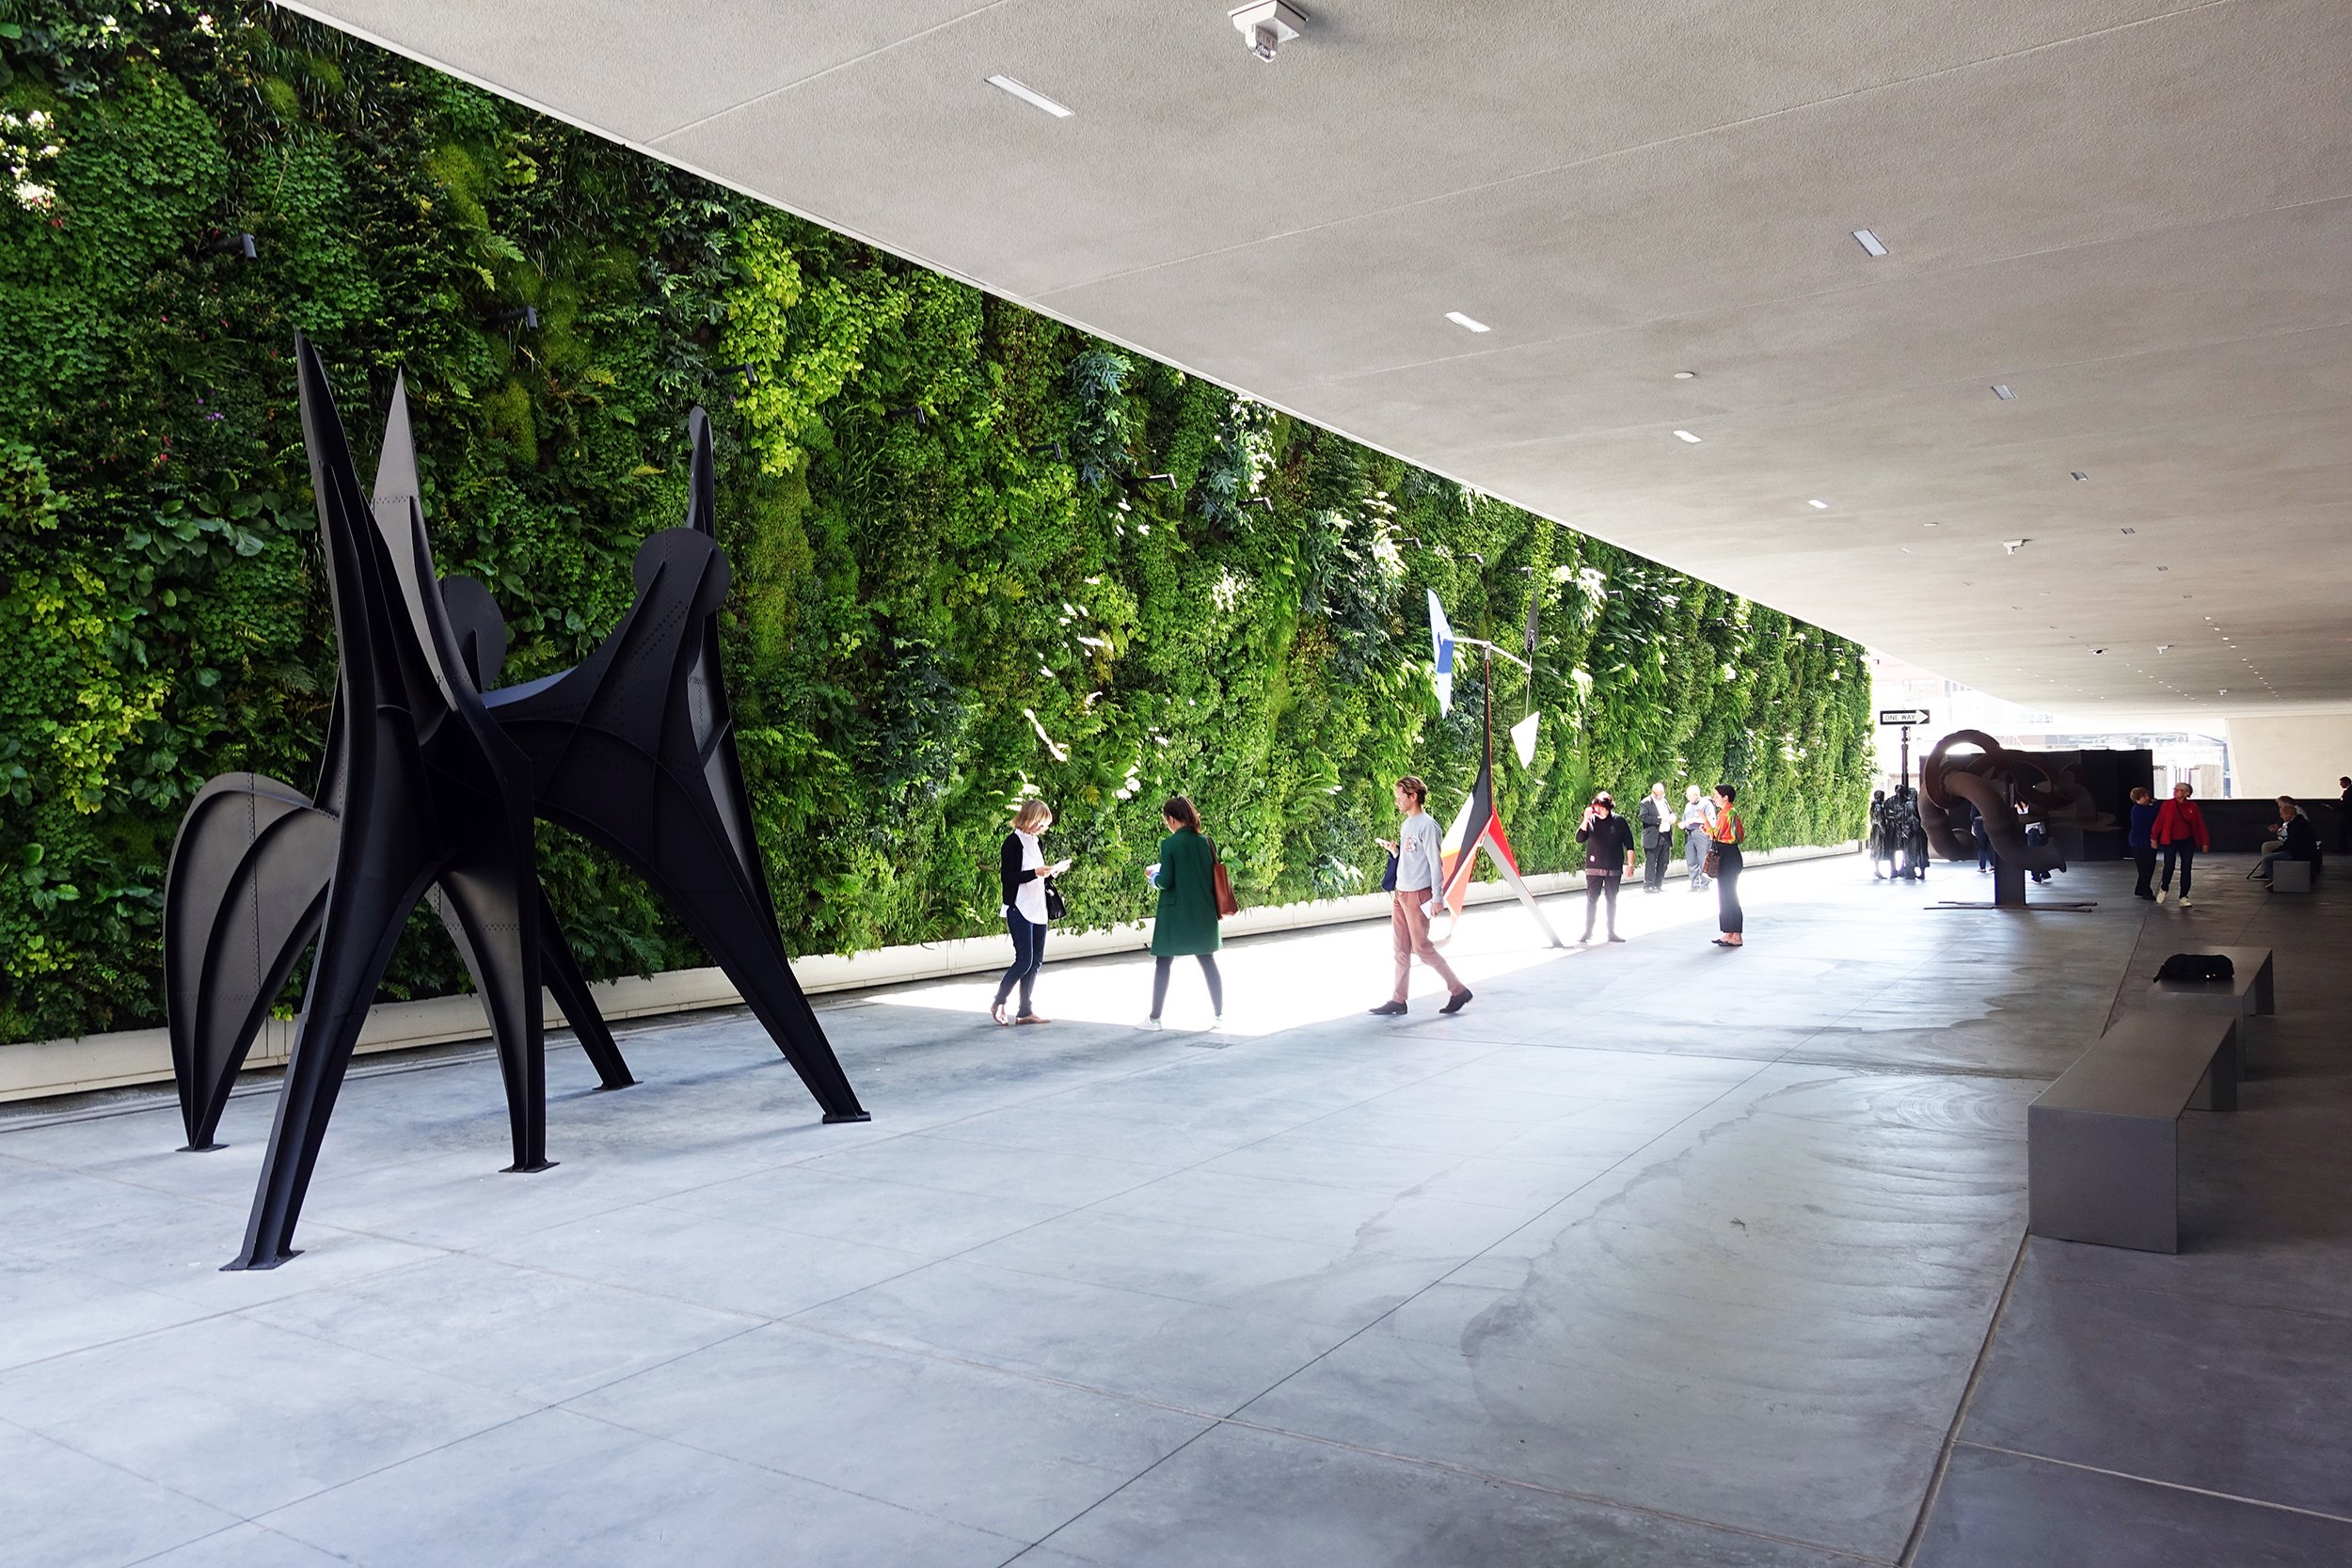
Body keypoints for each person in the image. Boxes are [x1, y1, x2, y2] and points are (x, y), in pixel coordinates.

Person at [1370, 775, 1472, 1017]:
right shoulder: (1407, 825)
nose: (1397, 801)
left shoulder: (1428, 826)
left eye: (1400, 796)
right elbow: (1411, 858)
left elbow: (1436, 864)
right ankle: (1398, 1000)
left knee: (1422, 948)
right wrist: (1395, 851)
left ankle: (1458, 990)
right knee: (1401, 950)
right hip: (1401, 894)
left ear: (1413, 796)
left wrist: (1437, 897)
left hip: (1418, 895)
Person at [1141, 796, 1223, 1029]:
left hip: (1175, 913)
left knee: (1163, 962)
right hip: (1203, 911)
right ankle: (1219, 1015)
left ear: (1171, 819)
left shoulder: (1169, 844)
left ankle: (1155, 1018)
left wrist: (1153, 876)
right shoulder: (1206, 842)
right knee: (1207, 961)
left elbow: (1166, 881)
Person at [992, 799, 1068, 1025]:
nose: (1040, 828)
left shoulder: (1036, 842)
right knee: (1024, 960)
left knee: (1036, 962)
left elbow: (1037, 876)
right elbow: (1008, 877)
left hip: (1038, 907)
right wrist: (1035, 872)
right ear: (1027, 818)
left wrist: (1050, 873)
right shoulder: (1013, 842)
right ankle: (999, 1001)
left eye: (1043, 825)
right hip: (1019, 907)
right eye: (1038, 823)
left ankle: (1025, 1011)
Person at [1577, 791, 1637, 943]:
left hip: (1613, 866)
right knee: (1592, 898)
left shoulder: (1619, 821)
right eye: (1597, 807)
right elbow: (1580, 838)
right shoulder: (1592, 820)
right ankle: (1588, 931)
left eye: (1602, 807)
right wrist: (1586, 819)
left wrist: (1630, 864)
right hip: (1594, 867)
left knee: (1611, 899)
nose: (1599, 810)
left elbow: (1629, 844)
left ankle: (1611, 931)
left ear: (1609, 807)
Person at [2152, 781, 2209, 907]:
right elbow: (2159, 821)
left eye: (2179, 790)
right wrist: (2154, 838)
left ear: (2187, 793)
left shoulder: (2192, 806)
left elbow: (2200, 824)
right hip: (2170, 840)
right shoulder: (2167, 804)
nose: (2176, 791)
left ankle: (2183, 896)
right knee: (2169, 866)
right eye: (2175, 789)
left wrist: (2205, 842)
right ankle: (2164, 888)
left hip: (2187, 841)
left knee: (2186, 868)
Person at [1708, 784, 1746, 947]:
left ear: (1726, 797)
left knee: (1729, 894)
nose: (1714, 799)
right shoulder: (1727, 812)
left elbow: (1715, 834)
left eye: (1717, 796)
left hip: (1728, 855)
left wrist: (1704, 820)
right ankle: (1729, 932)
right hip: (1729, 854)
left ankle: (1736, 934)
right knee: (1725, 894)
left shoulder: (1728, 813)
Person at [2250, 797, 2317, 883]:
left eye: (2282, 814)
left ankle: (2275, 881)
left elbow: (2292, 843)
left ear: (2289, 814)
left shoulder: (2297, 824)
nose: (2281, 817)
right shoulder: (2297, 822)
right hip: (2300, 850)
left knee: (2267, 859)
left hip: (2299, 853)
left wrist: (2278, 850)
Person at [2126, 785, 2160, 900]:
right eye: (2144, 796)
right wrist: (2156, 804)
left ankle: (2140, 888)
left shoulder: (2144, 808)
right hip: (2139, 842)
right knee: (2145, 868)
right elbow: (2153, 815)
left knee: (2148, 866)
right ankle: (2146, 890)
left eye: (2147, 796)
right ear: (2137, 799)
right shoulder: (2138, 810)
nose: (2147, 798)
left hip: (2144, 841)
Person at [1638, 783, 1674, 893]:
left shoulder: (1665, 802)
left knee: (1664, 861)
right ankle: (1649, 884)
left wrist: (1672, 817)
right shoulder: (1646, 802)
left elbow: (1670, 812)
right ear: (1653, 793)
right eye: (1658, 795)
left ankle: (1658, 884)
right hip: (1652, 836)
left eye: (1662, 794)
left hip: (1665, 835)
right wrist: (1659, 819)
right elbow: (1643, 817)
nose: (1660, 797)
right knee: (1651, 862)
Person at [1680, 784, 1713, 891]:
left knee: (1703, 859)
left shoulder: (1706, 804)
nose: (1688, 798)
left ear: (1696, 795)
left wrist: (1696, 820)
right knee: (1691, 859)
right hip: (1689, 833)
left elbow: (1711, 820)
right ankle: (1694, 884)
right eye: (1687, 796)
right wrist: (1684, 823)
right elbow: (1685, 818)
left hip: (1701, 833)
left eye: (1689, 796)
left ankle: (1705, 884)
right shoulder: (1688, 805)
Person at [2339, 776, 2351, 854]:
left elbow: (2346, 804)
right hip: (2347, 815)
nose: (2341, 785)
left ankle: (2344, 849)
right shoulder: (2348, 791)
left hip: (2348, 816)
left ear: (2347, 782)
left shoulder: (2349, 792)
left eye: (2342, 783)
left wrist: (2336, 808)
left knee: (2345, 832)